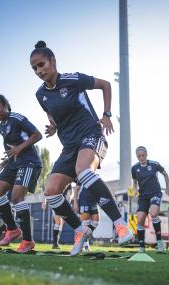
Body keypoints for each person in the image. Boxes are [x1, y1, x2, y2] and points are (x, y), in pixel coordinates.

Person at [30, 40, 133, 256]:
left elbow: (106, 84)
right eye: (35, 68)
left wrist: (106, 114)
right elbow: (51, 112)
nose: (39, 71)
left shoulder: (73, 79)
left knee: (83, 170)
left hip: (90, 134)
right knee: (51, 191)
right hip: (69, 146)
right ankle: (80, 230)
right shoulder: (41, 95)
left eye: (41, 64)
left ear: (53, 61)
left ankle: (120, 224)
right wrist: (53, 126)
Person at [0, 94, 43, 253]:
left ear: (6, 105)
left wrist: (19, 149)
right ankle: (12, 230)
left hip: (29, 162)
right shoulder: (1, 127)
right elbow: (11, 147)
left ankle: (27, 241)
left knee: (17, 197)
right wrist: (8, 159)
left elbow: (37, 135)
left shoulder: (17, 118)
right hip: (14, 163)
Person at [131, 146, 169, 253]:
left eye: (143, 155)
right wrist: (134, 190)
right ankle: (142, 247)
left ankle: (159, 243)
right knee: (139, 220)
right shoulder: (134, 168)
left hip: (155, 193)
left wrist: (167, 188)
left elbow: (165, 174)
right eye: (139, 156)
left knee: (153, 214)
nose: (141, 157)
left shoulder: (154, 164)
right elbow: (134, 182)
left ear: (146, 155)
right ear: (137, 157)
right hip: (143, 196)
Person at [73, 182, 100, 252]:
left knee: (95, 222)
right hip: (84, 199)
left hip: (93, 200)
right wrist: (75, 202)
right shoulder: (82, 174)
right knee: (86, 224)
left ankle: (80, 238)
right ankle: (85, 245)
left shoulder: (96, 176)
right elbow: (76, 189)